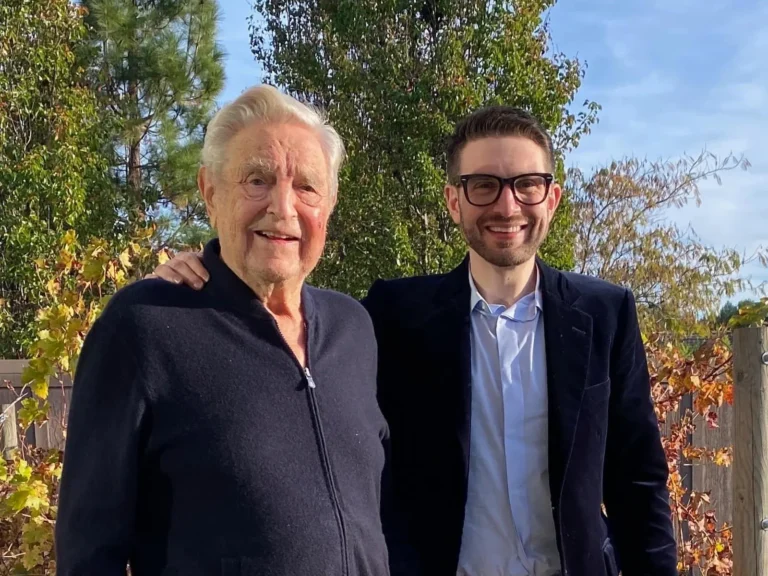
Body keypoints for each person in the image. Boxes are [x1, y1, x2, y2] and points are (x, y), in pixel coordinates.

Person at [151, 106, 677, 576]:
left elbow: (638, 481)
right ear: (454, 201)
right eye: (483, 185)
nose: (507, 204)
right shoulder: (393, 315)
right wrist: (210, 274)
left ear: (552, 198)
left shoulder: (605, 314)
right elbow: (288, 319)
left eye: (527, 184)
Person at [55, 85, 396, 576]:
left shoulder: (354, 329)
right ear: (210, 191)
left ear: (330, 203)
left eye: (307, 187)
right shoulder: (144, 329)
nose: (283, 208)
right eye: (257, 180)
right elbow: (88, 554)